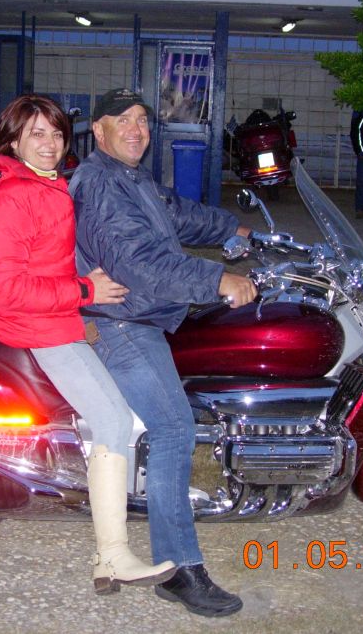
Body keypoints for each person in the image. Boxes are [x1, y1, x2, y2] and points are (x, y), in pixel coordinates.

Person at [0, 94, 176, 596]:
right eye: (37, 134)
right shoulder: (10, 197)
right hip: (31, 325)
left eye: (56, 134)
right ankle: (112, 557)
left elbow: (46, 255)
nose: (51, 144)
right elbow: (6, 289)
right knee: (113, 419)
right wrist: (84, 292)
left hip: (53, 315)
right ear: (12, 140)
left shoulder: (41, 181)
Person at [69, 88, 257, 618]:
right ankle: (179, 570)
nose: (137, 129)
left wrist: (237, 230)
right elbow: (140, 263)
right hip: (121, 322)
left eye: (143, 120)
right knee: (174, 427)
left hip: (141, 314)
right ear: (98, 130)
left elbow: (174, 214)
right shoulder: (100, 184)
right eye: (123, 119)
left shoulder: (131, 178)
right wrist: (216, 278)